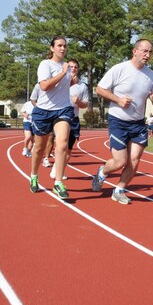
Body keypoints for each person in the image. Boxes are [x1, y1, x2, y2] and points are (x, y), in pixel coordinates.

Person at [92, 39, 153, 204]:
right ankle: (102, 172)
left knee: (134, 160)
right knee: (120, 161)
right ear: (134, 51)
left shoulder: (151, 75)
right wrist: (118, 99)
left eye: (150, 52)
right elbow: (100, 89)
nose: (147, 55)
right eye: (144, 51)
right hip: (118, 121)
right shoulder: (120, 69)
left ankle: (119, 190)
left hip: (138, 123)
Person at [29, 36, 75, 199]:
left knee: (62, 144)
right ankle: (34, 175)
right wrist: (63, 73)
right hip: (43, 111)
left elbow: (62, 87)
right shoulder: (45, 64)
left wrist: (71, 80)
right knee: (39, 149)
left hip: (63, 110)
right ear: (52, 48)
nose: (63, 48)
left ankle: (58, 182)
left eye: (65, 46)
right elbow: (45, 86)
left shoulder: (67, 67)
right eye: (59, 45)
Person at [50, 59, 89, 181]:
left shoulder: (82, 86)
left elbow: (85, 105)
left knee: (69, 149)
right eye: (71, 66)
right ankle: (56, 172)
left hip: (74, 118)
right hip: (60, 116)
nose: (73, 69)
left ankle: (57, 167)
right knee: (61, 145)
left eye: (76, 67)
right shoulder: (61, 81)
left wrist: (78, 101)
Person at [30, 83, 54, 167]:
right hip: (42, 115)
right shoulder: (38, 86)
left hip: (55, 114)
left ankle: (46, 158)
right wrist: (38, 107)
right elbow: (33, 99)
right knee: (40, 144)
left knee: (51, 137)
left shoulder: (59, 85)